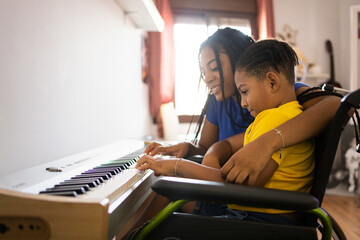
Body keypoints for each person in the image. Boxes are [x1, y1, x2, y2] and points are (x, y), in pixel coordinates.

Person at [134, 39, 314, 228]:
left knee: (168, 211)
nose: (244, 103)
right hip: (257, 211)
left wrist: (177, 166)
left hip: (262, 220)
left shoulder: (274, 119)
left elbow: (241, 186)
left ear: (272, 81)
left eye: (245, 91)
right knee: (172, 193)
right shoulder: (291, 115)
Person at [145, 27, 339, 185]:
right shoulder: (218, 100)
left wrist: (266, 142)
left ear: (240, 61)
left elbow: (334, 104)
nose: (207, 78)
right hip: (231, 190)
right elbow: (207, 147)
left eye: (214, 68)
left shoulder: (282, 95)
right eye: (204, 72)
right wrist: (189, 148)